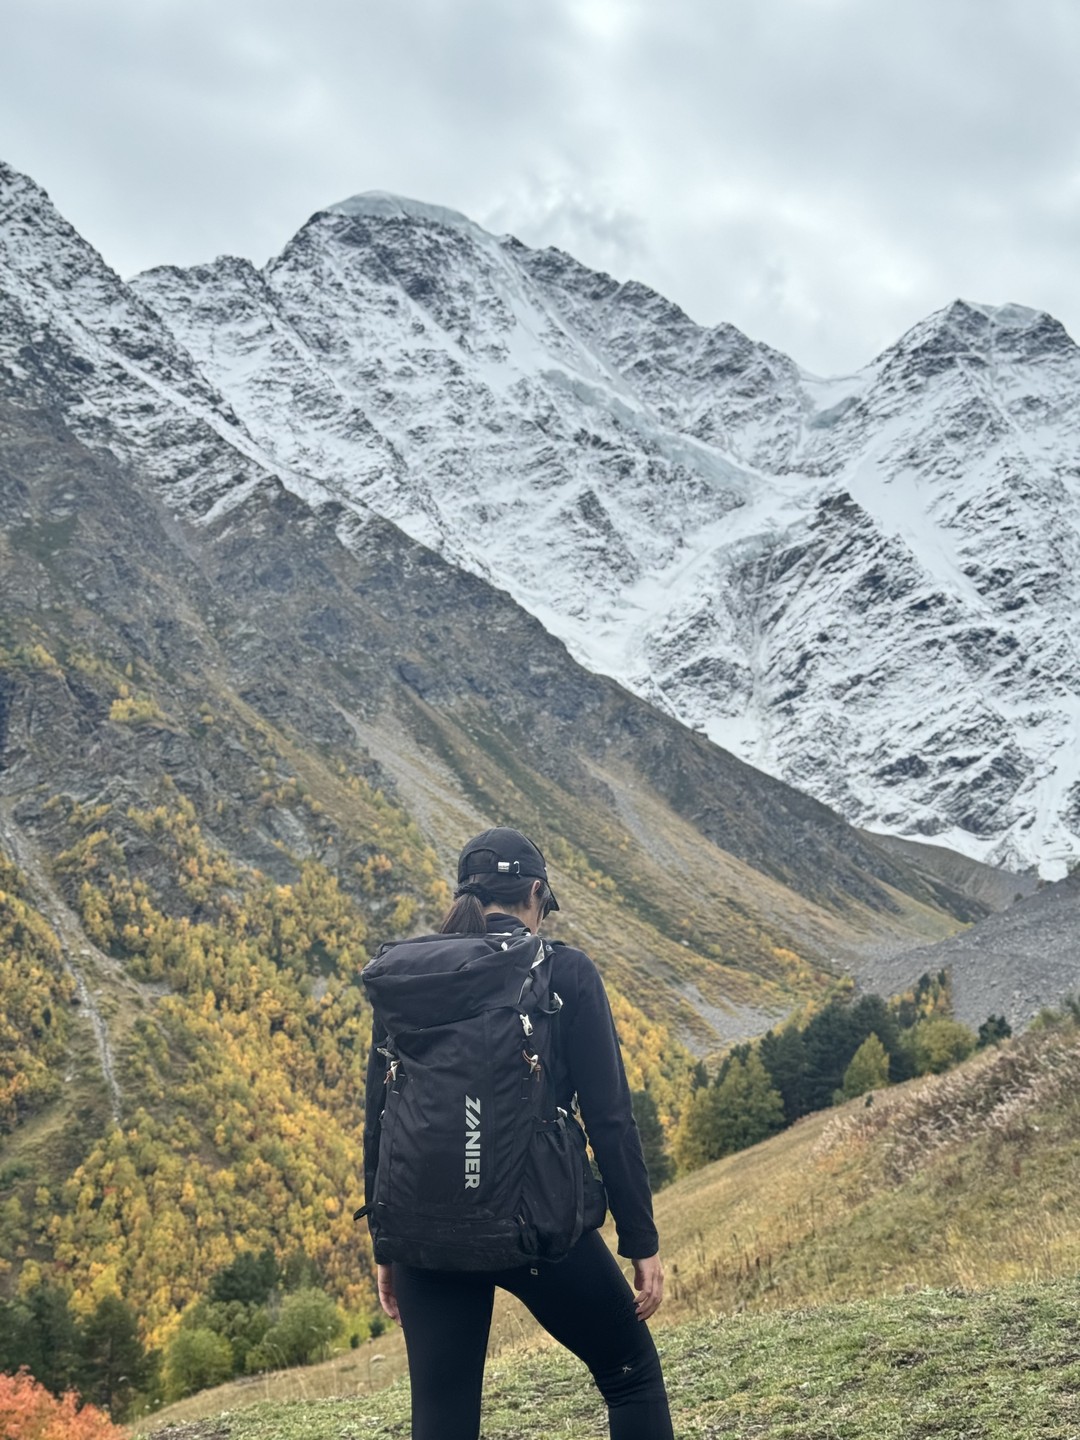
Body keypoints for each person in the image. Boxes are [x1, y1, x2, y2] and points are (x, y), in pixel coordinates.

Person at [363, 827, 674, 1440]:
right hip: (536, 1228)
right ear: (536, 894)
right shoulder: (566, 971)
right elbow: (610, 1118)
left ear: (465, 897)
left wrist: (387, 1246)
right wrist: (641, 1240)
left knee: (443, 1417)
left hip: (425, 1234)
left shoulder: (409, 979)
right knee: (629, 1373)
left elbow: (379, 1115)